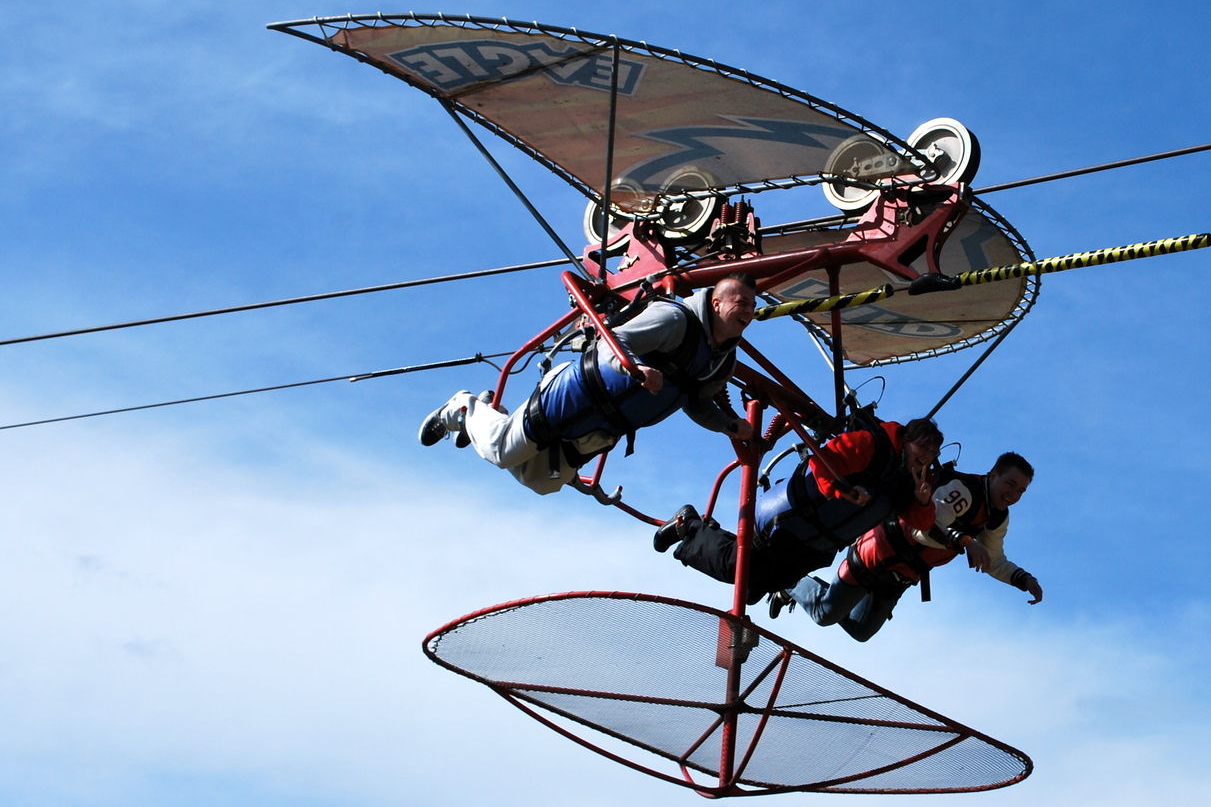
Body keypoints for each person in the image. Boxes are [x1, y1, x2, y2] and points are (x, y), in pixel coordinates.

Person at [418, 274, 757, 494]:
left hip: (604, 425)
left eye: (753, 306)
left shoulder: (722, 361)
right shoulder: (675, 319)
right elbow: (614, 341)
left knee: (542, 481)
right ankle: (463, 407)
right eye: (741, 303)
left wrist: (727, 425)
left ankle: (487, 418)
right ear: (716, 303)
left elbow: (696, 402)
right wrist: (636, 368)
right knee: (502, 450)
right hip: (575, 396)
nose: (749, 311)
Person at [653, 416, 944, 602]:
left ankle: (707, 535)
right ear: (907, 440)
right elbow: (823, 461)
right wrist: (845, 491)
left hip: (813, 547)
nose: (927, 458)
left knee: (757, 588)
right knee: (738, 569)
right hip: (789, 520)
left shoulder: (909, 484)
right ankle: (687, 524)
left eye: (933, 454)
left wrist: (922, 501)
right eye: (923, 449)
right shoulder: (872, 444)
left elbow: (920, 524)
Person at [781, 451, 1041, 641]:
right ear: (993, 475)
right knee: (826, 614)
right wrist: (965, 540)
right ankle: (787, 581)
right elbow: (924, 527)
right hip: (875, 555)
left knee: (861, 631)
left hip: (900, 576)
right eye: (1010, 484)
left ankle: (822, 593)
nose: (1013, 494)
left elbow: (993, 559)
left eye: (1021, 491)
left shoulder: (996, 517)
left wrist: (1023, 579)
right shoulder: (964, 491)